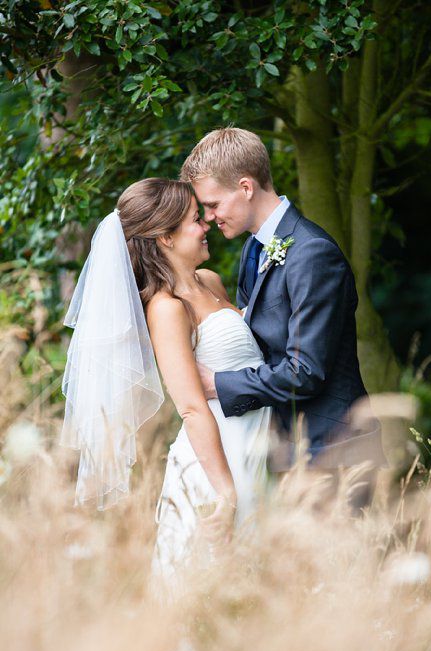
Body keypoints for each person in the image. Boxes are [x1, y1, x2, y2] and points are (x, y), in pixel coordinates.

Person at [62, 177, 270, 588]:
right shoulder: (166, 309)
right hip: (217, 460)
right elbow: (191, 407)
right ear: (165, 239)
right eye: (196, 219)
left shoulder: (210, 281)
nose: (207, 223)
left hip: (256, 443)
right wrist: (225, 494)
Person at [179, 128, 383, 502]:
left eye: (213, 204)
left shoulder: (312, 253)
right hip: (284, 449)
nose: (209, 217)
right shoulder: (253, 252)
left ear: (245, 187)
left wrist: (218, 384)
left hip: (332, 452)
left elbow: (305, 372)